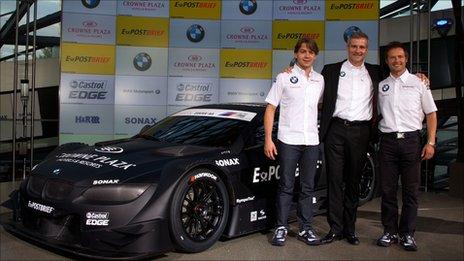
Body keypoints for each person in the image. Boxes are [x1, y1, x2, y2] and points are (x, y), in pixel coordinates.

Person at [319, 32, 379, 245]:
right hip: (335, 130)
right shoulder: (331, 70)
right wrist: (290, 72)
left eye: (362, 47)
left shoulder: (375, 72)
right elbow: (311, 86)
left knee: (353, 182)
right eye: (354, 46)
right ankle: (335, 229)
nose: (358, 50)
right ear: (347, 46)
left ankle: (350, 229)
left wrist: (420, 76)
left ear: (367, 49)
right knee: (334, 181)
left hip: (361, 133)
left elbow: (399, 74)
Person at [376, 41, 437, 251]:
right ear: (387, 61)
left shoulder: (419, 82)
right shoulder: (381, 85)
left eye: (400, 57)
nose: (397, 60)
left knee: (411, 191)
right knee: (387, 190)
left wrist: (431, 142)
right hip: (388, 142)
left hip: (412, 141)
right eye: (392, 57)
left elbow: (431, 113)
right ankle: (389, 231)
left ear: (406, 59)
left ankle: (408, 234)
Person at [264, 37, 324, 246]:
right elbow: (270, 108)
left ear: (315, 55)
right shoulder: (283, 77)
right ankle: (281, 227)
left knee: (307, 188)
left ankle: (306, 229)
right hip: (288, 140)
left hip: (311, 141)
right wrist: (268, 139)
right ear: (296, 54)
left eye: (311, 52)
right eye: (303, 51)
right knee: (286, 185)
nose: (307, 55)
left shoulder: (320, 80)